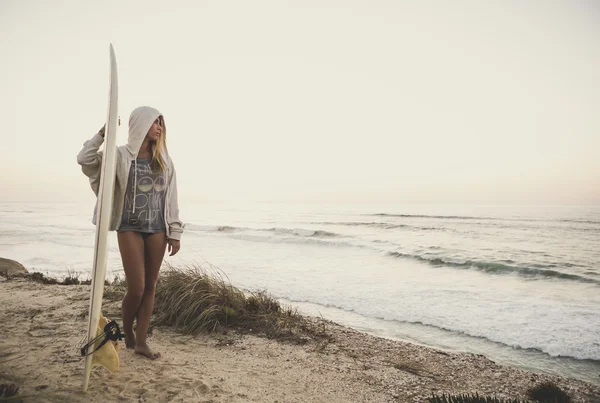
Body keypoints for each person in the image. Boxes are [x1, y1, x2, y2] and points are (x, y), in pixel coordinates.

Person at [77, 106, 184, 359]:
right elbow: (85, 159)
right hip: (129, 227)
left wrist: (175, 231)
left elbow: (172, 200)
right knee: (136, 288)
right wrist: (103, 132)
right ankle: (128, 332)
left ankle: (142, 342)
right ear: (141, 124)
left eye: (161, 123)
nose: (159, 127)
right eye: (155, 122)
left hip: (157, 229)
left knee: (150, 288)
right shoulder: (120, 156)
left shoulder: (165, 161)